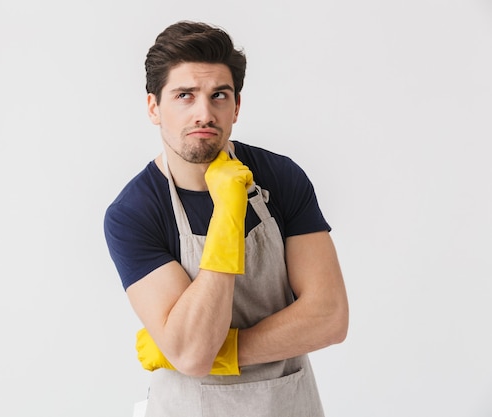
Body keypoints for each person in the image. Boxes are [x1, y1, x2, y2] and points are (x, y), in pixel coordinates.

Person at [103, 20, 349, 417]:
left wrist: (222, 353)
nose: (204, 112)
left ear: (236, 106)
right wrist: (229, 212)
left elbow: (329, 316)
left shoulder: (281, 178)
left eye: (219, 95)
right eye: (185, 95)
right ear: (154, 107)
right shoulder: (134, 213)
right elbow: (192, 349)